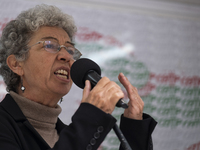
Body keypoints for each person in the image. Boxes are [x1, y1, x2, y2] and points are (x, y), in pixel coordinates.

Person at [0, 4, 157, 150]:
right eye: (49, 45)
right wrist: (91, 119)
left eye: (69, 50)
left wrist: (134, 129)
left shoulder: (67, 134)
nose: (66, 56)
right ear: (16, 64)